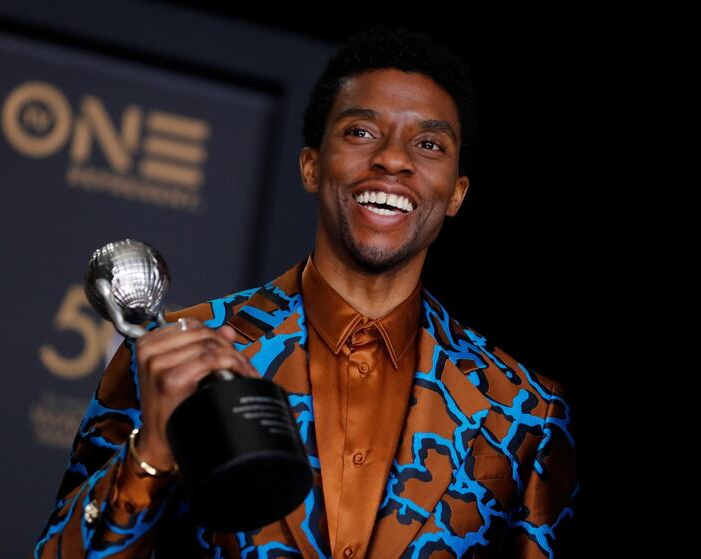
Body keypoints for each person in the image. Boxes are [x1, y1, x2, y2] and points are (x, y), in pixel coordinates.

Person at [34, 25, 578, 559]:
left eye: (429, 143)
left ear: (457, 194)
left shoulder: (524, 410)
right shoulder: (177, 354)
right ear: (312, 166)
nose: (393, 158)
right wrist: (150, 454)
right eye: (362, 132)